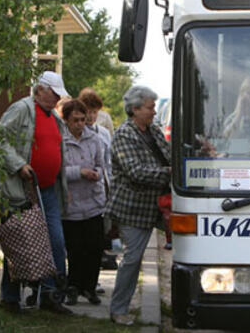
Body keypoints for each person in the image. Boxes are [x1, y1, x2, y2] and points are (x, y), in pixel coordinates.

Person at [0, 71, 72, 315]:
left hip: (47, 190)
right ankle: (10, 298)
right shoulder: (22, 109)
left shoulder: (53, 117)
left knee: (55, 242)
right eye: (54, 93)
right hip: (21, 190)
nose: (57, 98)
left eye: (59, 94)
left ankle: (49, 294)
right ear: (41, 89)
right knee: (20, 243)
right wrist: (18, 165)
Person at [106, 86, 171, 326]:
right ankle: (118, 310)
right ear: (135, 109)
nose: (154, 112)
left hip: (154, 207)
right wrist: (170, 173)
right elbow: (135, 172)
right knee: (132, 259)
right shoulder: (124, 134)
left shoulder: (152, 130)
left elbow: (168, 153)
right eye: (150, 107)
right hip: (132, 209)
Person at [60, 99, 106, 306]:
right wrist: (79, 172)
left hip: (93, 201)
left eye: (82, 120)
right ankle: (73, 287)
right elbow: (57, 171)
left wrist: (98, 174)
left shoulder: (94, 139)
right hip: (71, 202)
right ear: (66, 121)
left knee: (94, 248)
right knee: (75, 248)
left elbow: (102, 165)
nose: (80, 124)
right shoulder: (60, 141)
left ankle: (90, 286)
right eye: (75, 120)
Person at [78, 87, 118, 273]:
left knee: (99, 235)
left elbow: (109, 160)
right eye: (89, 111)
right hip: (82, 188)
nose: (92, 116)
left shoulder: (103, 133)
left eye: (95, 112)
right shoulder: (75, 132)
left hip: (103, 187)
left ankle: (92, 280)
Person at [222, 77, 250, 152]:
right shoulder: (232, 120)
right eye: (249, 93)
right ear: (242, 96)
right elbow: (227, 142)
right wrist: (239, 113)